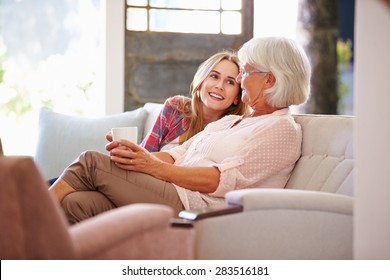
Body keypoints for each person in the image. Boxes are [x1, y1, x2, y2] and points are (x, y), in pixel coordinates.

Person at [49, 36, 311, 224]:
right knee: (77, 204)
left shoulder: (281, 129)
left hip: (196, 207)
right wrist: (137, 157)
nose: (240, 80)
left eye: (244, 72)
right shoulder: (234, 121)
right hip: (174, 192)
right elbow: (178, 154)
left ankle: (19, 224)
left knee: (90, 162)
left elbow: (220, 180)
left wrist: (154, 168)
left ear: (270, 79)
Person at [136, 50, 249, 152]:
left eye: (230, 82)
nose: (219, 86)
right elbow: (145, 152)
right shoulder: (176, 107)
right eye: (214, 76)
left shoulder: (237, 130)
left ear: (237, 97)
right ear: (201, 81)